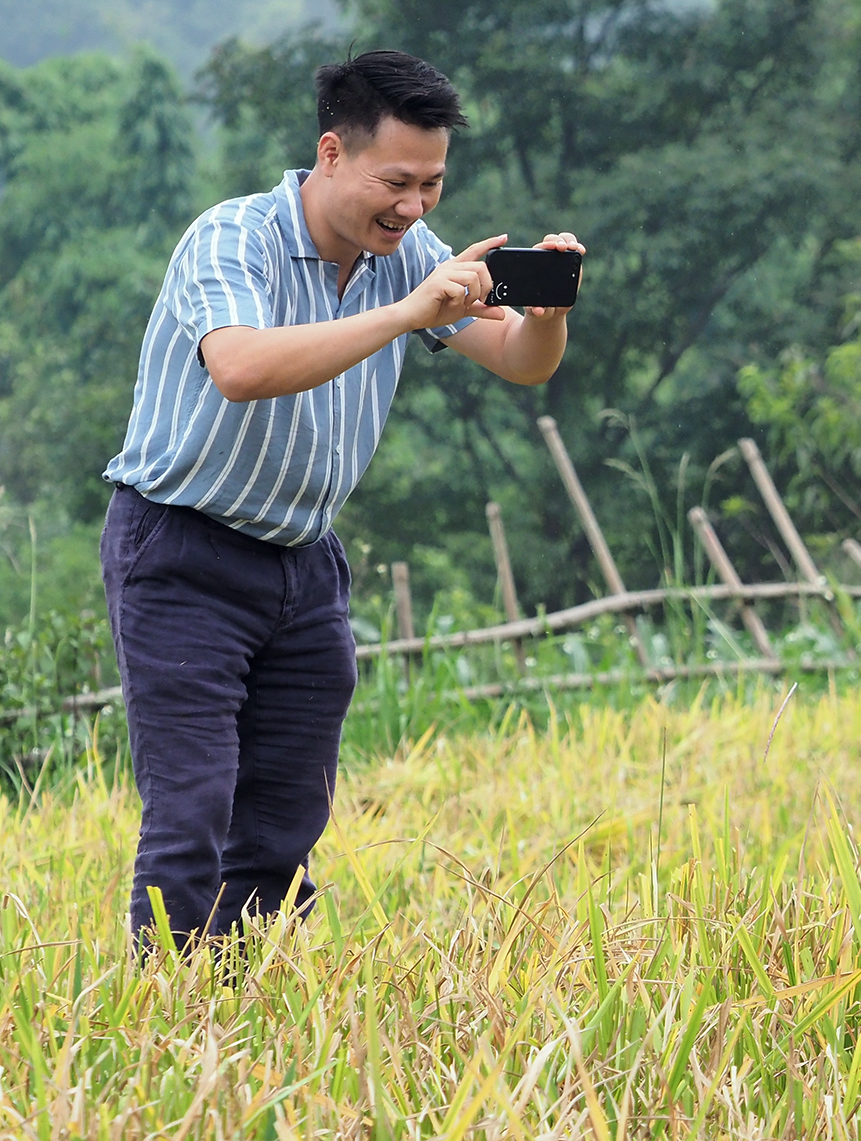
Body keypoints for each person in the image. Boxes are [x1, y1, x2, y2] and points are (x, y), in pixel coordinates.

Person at [100, 49, 588, 949]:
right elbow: (241, 367)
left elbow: (521, 363)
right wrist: (409, 312)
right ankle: (162, 1015)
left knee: (287, 813)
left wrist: (546, 316)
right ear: (331, 153)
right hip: (181, 551)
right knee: (195, 807)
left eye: (432, 184)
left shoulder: (408, 254)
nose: (413, 207)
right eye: (394, 182)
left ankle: (246, 1011)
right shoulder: (233, 236)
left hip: (306, 564)